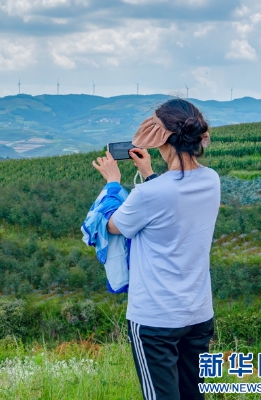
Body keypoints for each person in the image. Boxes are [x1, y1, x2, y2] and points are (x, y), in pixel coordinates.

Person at [91, 98, 220, 400]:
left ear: (160, 138)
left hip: (156, 320)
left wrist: (112, 183)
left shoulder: (148, 195)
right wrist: (149, 173)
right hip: (198, 313)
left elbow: (112, 225)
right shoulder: (211, 180)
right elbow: (173, 204)